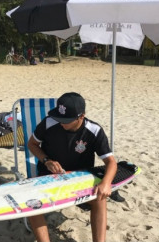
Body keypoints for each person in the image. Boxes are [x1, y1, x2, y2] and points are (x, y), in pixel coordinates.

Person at [27, 92, 117, 242]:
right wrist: (47, 160)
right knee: (30, 203)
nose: (62, 123)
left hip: (79, 179)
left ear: (81, 116)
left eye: (67, 120)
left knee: (100, 199)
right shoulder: (49, 122)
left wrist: (106, 183)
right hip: (48, 176)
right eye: (60, 118)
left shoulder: (94, 130)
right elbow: (32, 144)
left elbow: (111, 162)